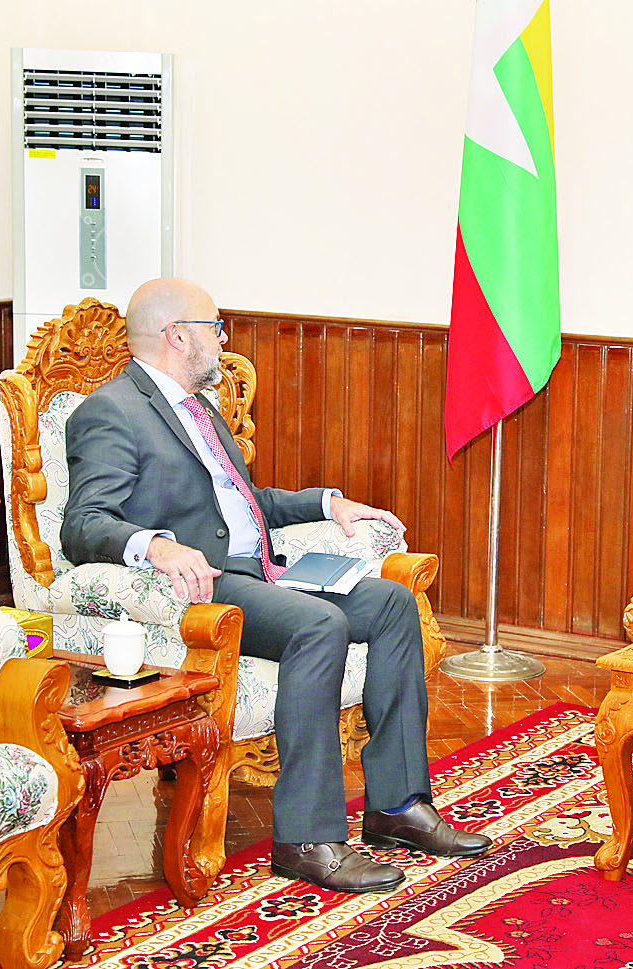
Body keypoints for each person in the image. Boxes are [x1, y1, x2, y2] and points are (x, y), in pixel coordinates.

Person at [61, 277, 491, 893]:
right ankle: (307, 839)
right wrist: (155, 545)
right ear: (176, 336)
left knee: (393, 603)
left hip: (262, 571)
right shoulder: (112, 411)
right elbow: (83, 523)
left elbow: (244, 504)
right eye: (215, 327)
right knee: (320, 624)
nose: (223, 340)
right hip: (208, 586)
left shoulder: (199, 408)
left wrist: (327, 504)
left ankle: (398, 807)